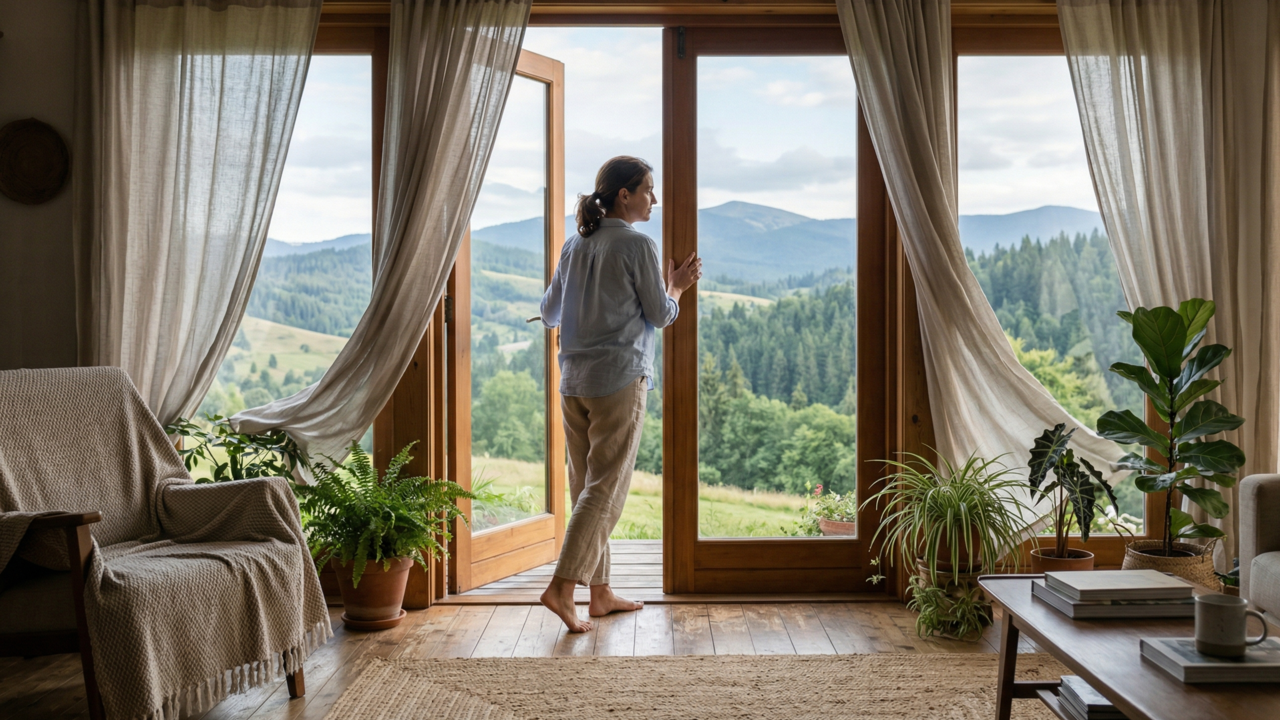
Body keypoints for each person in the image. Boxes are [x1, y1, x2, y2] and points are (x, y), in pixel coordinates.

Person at [538, 156, 702, 632]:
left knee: (585, 485)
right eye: (649, 189)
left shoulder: (574, 245)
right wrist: (677, 287)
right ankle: (563, 588)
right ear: (624, 195)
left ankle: (601, 592)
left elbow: (549, 313)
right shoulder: (638, 246)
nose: (656, 199)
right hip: (619, 380)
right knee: (604, 489)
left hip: (574, 383)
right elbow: (659, 313)